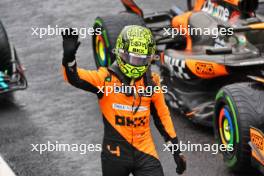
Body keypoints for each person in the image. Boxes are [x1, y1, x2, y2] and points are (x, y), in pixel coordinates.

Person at [61, 25, 186, 176]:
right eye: (131, 57)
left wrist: (176, 151)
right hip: (115, 154)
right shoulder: (105, 79)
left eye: (141, 59)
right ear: (120, 52)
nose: (135, 64)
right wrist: (69, 59)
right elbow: (75, 78)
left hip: (145, 151)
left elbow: (163, 117)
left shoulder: (152, 83)